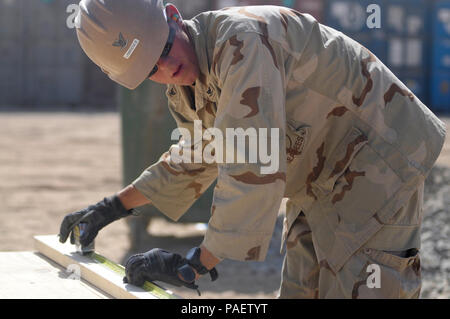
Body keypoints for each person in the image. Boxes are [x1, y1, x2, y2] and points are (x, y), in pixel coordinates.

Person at [59, 0, 446, 298]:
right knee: (303, 288)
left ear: (174, 17)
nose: (167, 68)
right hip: (324, 170)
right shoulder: (185, 89)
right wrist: (113, 206)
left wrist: (194, 264)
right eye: (150, 70)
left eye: (164, 49)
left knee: (366, 286)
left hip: (381, 151)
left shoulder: (240, 43)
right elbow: (196, 156)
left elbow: (254, 166)